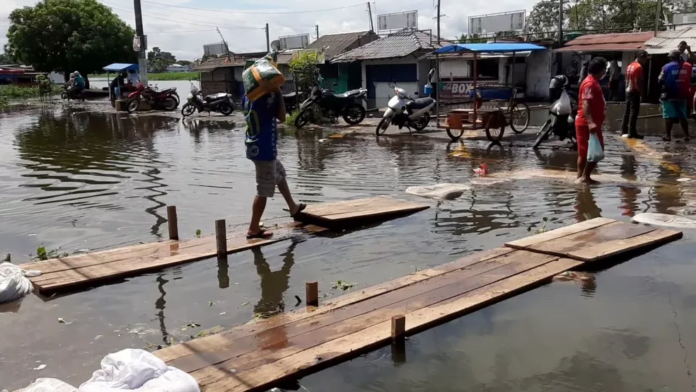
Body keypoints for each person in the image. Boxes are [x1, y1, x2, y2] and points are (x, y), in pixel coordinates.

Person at [243, 87, 305, 239]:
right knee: (263, 189)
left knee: (279, 173)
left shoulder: (249, 93)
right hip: (264, 148)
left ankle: (292, 207)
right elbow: (282, 117)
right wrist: (278, 93)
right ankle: (253, 228)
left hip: (255, 145)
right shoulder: (267, 96)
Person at [575, 57, 608, 185]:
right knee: (596, 151)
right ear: (600, 70)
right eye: (604, 69)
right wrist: (591, 122)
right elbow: (586, 103)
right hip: (586, 123)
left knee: (584, 152)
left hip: (590, 122)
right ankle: (584, 177)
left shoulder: (593, 81)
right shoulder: (590, 83)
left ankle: (581, 177)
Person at [658, 50, 691, 142]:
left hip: (669, 94)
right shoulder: (688, 66)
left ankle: (668, 136)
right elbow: (691, 78)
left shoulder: (666, 67)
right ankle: (687, 135)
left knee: (668, 115)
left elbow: (660, 80)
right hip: (683, 95)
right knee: (683, 115)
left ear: (671, 58)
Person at [621, 50, 650, 139]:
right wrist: (640, 93)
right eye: (645, 58)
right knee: (634, 112)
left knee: (627, 111)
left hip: (628, 90)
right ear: (641, 57)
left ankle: (624, 130)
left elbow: (626, 79)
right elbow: (639, 81)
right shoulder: (639, 67)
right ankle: (632, 132)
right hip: (634, 90)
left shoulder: (630, 66)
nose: (646, 61)